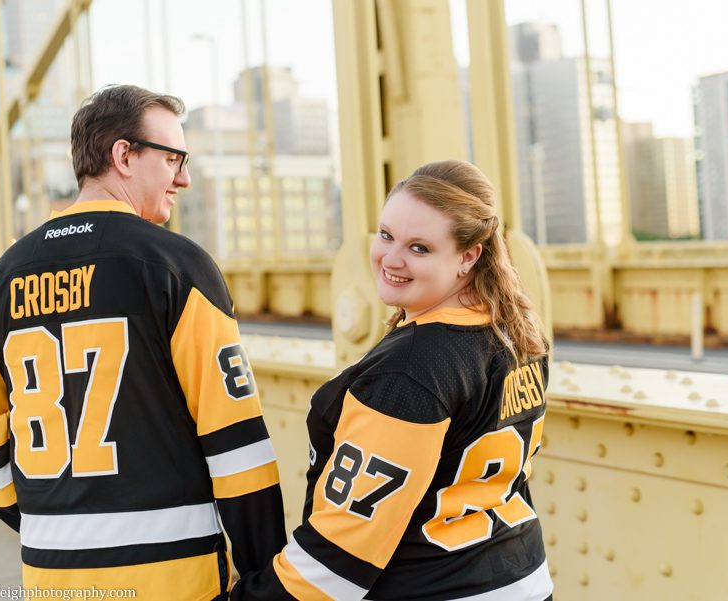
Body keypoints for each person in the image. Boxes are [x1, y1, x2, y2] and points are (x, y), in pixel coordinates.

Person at [0, 84, 286, 600]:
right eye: (174, 157)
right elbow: (236, 441)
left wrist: (39, 524)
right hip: (173, 574)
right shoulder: (178, 267)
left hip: (51, 576)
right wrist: (264, 577)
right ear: (123, 156)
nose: (185, 177)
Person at [231, 160, 553, 601]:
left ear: (469, 255)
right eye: (386, 235)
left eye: (419, 248)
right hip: (525, 581)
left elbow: (343, 550)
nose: (391, 259)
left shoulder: (410, 370)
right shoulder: (516, 336)